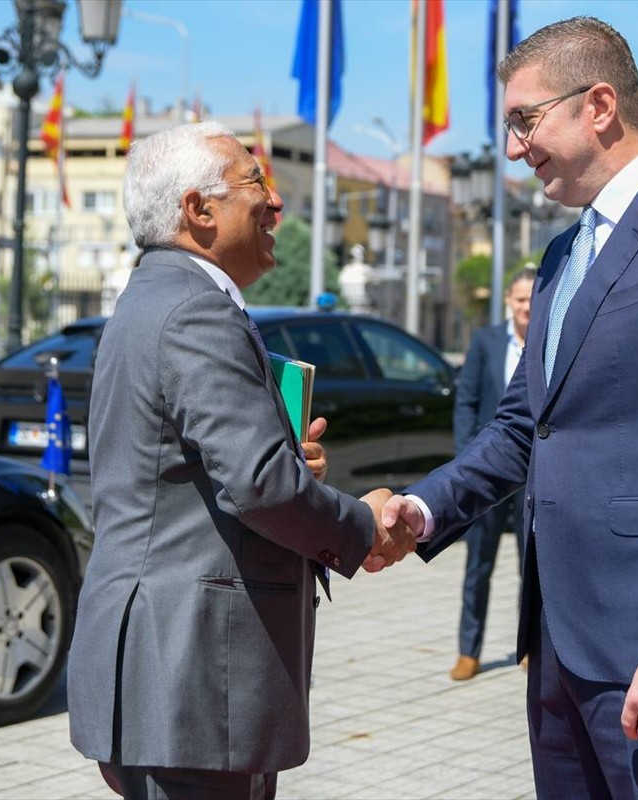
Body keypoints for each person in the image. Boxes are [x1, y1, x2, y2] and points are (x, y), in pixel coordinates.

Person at [381, 17, 638, 798]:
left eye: (523, 120)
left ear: (598, 105)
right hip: (561, 650)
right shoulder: (564, 252)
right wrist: (421, 510)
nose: (512, 147)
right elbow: (522, 427)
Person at [67, 121, 412, 800]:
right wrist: (362, 524)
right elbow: (258, 486)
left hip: (171, 675)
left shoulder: (155, 298)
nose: (275, 203)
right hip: (190, 675)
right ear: (198, 210)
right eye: (254, 181)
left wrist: (285, 463)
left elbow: (190, 471)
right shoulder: (195, 310)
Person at [449, 268, 536, 681]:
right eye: (521, 299)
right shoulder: (485, 342)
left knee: (531, 566)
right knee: (478, 564)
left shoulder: (548, 341)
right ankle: (469, 650)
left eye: (533, 300)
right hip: (486, 472)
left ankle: (530, 647)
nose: (527, 307)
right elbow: (466, 401)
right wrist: (468, 458)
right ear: (509, 300)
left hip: (533, 476)